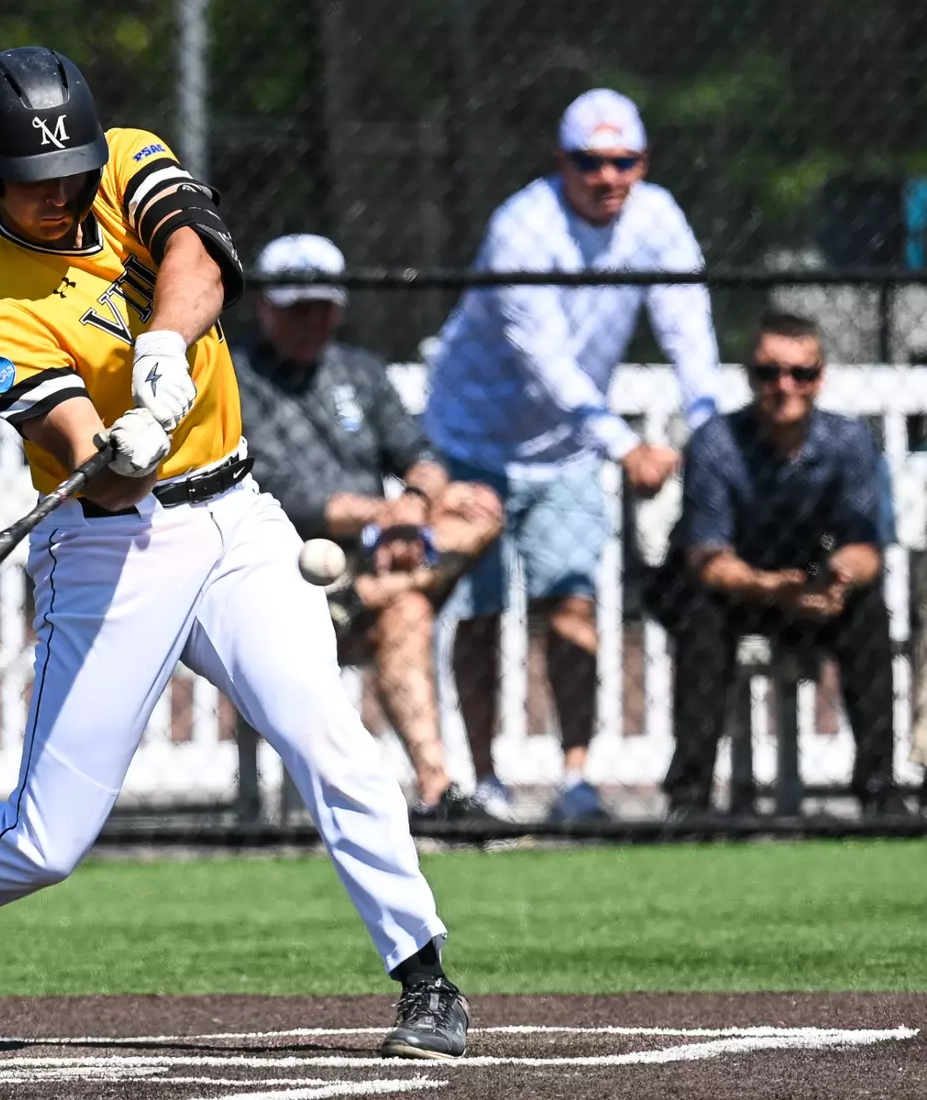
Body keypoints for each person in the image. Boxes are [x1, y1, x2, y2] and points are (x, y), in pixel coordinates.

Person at [0, 47, 470, 1060]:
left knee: (328, 738)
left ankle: (423, 976)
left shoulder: (126, 161)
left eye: (72, 174)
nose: (64, 196)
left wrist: (163, 355)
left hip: (240, 516)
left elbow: (198, 257)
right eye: (35, 185)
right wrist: (117, 444)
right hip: (109, 541)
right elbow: (100, 467)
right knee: (43, 838)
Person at [423, 88, 723, 822]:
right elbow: (546, 364)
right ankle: (485, 780)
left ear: (642, 163)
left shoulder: (656, 218)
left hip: (563, 451)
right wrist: (625, 448)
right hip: (474, 441)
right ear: (561, 161)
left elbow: (687, 328)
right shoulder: (521, 228)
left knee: (573, 609)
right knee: (480, 617)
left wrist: (709, 431)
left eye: (624, 162)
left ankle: (576, 780)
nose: (607, 177)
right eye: (590, 162)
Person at [232, 232, 505, 821]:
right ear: (264, 307)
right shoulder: (233, 378)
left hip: (376, 566)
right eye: (296, 309)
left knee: (478, 506)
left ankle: (437, 793)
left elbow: (419, 453)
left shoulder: (358, 371)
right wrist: (390, 512)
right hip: (282, 576)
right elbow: (281, 494)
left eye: (322, 309)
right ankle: (373, 598)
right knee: (408, 612)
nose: (312, 323)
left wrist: (418, 496)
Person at [644, 312, 908, 818]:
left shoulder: (848, 443)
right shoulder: (717, 443)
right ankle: (691, 799)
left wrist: (840, 578)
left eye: (800, 374)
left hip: (813, 587)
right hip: (732, 592)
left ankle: (880, 791)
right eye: (770, 374)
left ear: (820, 379)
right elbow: (706, 559)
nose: (784, 387)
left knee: (869, 614)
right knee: (700, 615)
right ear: (751, 378)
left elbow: (865, 547)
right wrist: (767, 586)